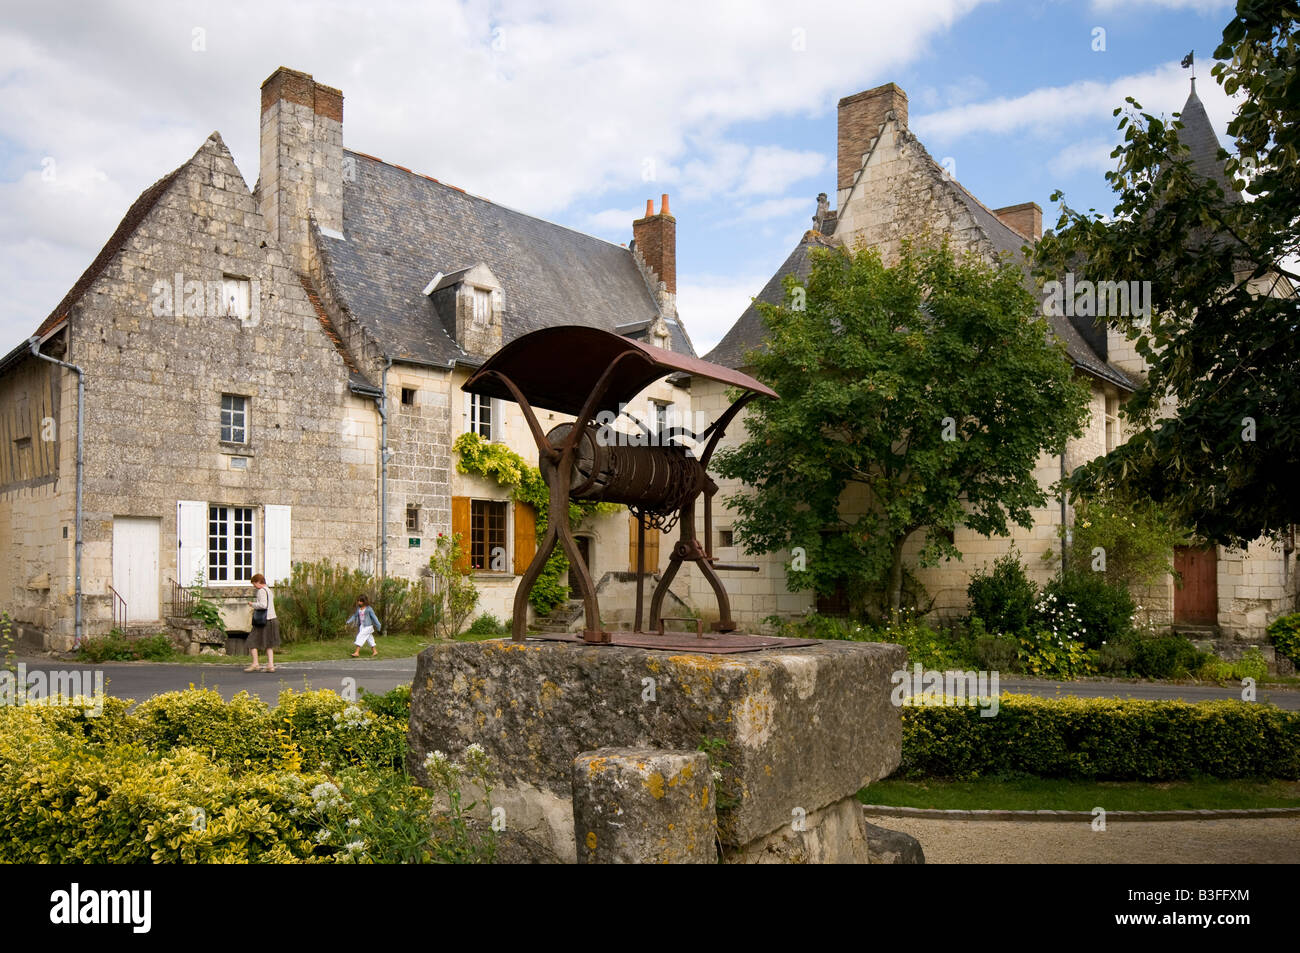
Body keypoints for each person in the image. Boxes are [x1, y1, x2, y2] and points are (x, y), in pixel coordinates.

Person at [246, 573, 280, 672]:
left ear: (258, 582)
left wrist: (253, 604)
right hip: (272, 619)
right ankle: (270, 665)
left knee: (252, 641)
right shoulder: (269, 590)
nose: (254, 586)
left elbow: (263, 605)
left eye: (254, 584)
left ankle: (255, 663)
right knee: (269, 643)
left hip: (263, 621)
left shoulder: (261, 591)